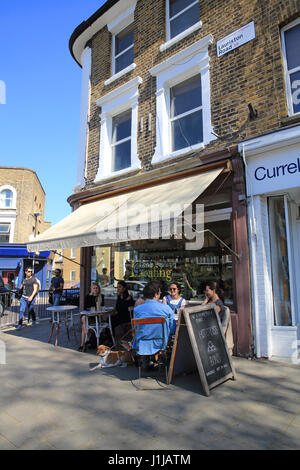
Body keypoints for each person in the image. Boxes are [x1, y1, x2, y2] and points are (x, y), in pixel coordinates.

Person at [132, 281, 175, 357]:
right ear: (156, 295)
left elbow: (136, 328)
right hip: (161, 343)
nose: (160, 293)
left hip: (141, 343)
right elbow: (172, 328)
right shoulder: (166, 309)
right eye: (159, 292)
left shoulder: (137, 310)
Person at [78, 282, 104, 352]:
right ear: (91, 289)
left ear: (98, 289)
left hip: (97, 317)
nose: (95, 290)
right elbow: (86, 308)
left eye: (96, 288)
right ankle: (83, 342)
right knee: (84, 318)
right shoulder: (88, 297)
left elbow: (102, 308)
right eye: (94, 288)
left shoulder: (101, 297)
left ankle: (83, 344)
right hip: (89, 316)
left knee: (84, 324)